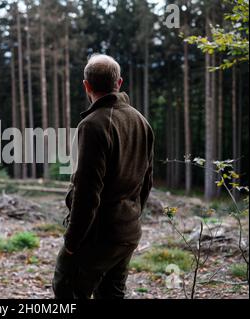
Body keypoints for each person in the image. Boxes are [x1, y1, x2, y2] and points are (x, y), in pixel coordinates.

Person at [52, 54, 154, 299]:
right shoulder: (141, 121)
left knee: (67, 290)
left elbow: (87, 193)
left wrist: (72, 242)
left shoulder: (92, 125)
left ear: (86, 86)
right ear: (119, 83)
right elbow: (147, 181)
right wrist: (132, 217)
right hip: (127, 231)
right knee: (111, 294)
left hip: (98, 235)